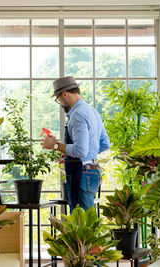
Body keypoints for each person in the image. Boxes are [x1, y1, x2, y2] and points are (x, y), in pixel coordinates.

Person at [41, 76, 110, 212]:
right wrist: (89, 156)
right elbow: (105, 143)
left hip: (81, 174)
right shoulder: (92, 111)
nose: (60, 103)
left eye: (58, 98)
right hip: (92, 172)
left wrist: (56, 145)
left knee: (80, 224)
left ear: (65, 94)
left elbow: (80, 151)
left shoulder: (77, 115)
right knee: (87, 221)